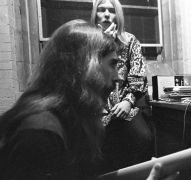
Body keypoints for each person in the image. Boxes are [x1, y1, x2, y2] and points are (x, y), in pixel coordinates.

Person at [0, 19, 177, 180]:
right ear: (85, 67)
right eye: (112, 64)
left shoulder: (72, 121)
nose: (119, 78)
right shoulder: (40, 135)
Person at [91, 0, 154, 170]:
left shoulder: (129, 40)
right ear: (95, 14)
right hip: (96, 108)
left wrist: (128, 100)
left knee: (143, 138)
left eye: (111, 10)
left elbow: (138, 73)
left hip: (126, 104)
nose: (106, 14)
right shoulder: (88, 42)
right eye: (101, 10)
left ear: (118, 15)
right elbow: (88, 76)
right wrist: (105, 45)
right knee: (100, 148)